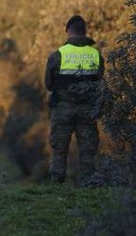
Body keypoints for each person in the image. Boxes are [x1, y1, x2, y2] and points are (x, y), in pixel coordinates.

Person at [44, 15, 105, 185]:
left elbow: (49, 84)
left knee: (59, 148)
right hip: (87, 111)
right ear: (85, 31)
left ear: (68, 32)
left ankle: (57, 185)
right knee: (88, 150)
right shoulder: (96, 55)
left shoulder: (57, 55)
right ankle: (87, 185)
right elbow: (100, 80)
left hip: (63, 109)